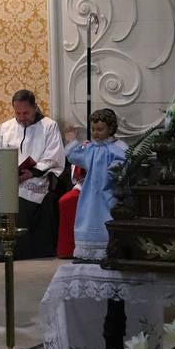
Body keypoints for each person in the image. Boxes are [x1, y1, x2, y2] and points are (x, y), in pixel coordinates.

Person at [0, 89, 65, 262]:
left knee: (19, 194)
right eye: (17, 113)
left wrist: (32, 172)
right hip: (7, 176)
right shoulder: (6, 127)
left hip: (34, 177)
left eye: (25, 112)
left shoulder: (49, 126)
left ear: (35, 107)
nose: (21, 117)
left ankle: (15, 250)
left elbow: (53, 156)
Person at [64, 108, 126, 262]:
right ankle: (86, 252)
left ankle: (106, 251)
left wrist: (115, 169)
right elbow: (73, 156)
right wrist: (72, 141)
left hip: (108, 192)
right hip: (90, 193)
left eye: (100, 129)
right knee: (86, 219)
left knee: (106, 219)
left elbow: (123, 163)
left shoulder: (117, 148)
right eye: (93, 129)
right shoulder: (90, 148)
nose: (96, 133)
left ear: (110, 129)